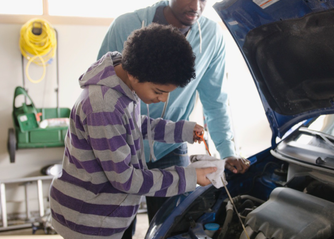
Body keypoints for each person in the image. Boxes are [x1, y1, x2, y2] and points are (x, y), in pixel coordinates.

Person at [49, 23, 218, 239]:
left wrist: (182, 130)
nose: (163, 99)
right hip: (88, 221)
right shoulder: (103, 106)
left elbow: (133, 125)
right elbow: (126, 179)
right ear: (134, 75)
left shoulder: (122, 80)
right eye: (158, 91)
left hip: (109, 212)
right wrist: (189, 176)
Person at [98, 0, 251, 223]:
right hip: (122, 142)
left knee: (174, 226)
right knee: (118, 227)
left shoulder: (211, 36)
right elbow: (103, 87)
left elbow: (215, 99)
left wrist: (226, 151)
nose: (196, 5)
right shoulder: (125, 25)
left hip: (171, 143)